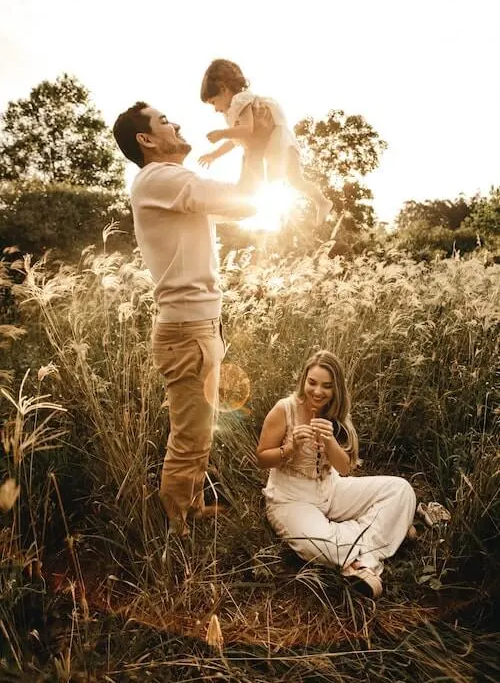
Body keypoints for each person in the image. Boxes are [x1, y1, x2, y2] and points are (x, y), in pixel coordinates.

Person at [112, 102, 256, 536]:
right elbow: (242, 197)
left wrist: (250, 145)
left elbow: (243, 207)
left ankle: (190, 503)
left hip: (199, 325)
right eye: (163, 121)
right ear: (147, 139)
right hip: (187, 329)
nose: (175, 123)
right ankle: (176, 528)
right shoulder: (161, 178)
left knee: (200, 427)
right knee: (190, 435)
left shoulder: (172, 185)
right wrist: (251, 141)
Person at [256, 350, 416, 598]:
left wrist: (329, 441)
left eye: (326, 386)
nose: (318, 391)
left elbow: (344, 468)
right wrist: (291, 448)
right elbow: (262, 458)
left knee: (401, 489)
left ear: (336, 389)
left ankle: (358, 549)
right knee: (321, 544)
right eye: (312, 383)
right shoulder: (284, 409)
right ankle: (373, 546)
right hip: (290, 498)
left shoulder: (336, 413)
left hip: (331, 488)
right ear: (304, 380)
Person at [198, 59, 333, 226]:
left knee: (265, 168)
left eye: (213, 102)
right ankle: (320, 202)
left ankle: (251, 197)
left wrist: (222, 133)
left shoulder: (240, 100)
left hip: (278, 143)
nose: (215, 109)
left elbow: (247, 129)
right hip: (277, 144)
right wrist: (214, 154)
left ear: (224, 89)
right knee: (295, 180)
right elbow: (235, 141)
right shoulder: (233, 110)